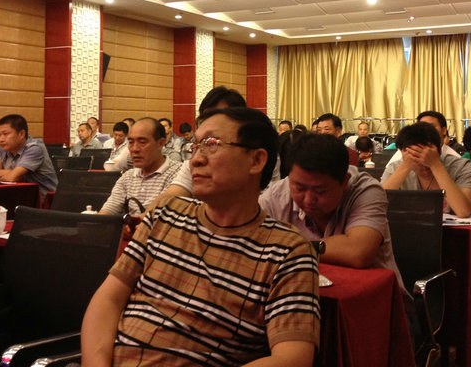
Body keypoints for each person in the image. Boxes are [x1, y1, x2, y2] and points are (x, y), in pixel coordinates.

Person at [81, 107, 320, 366]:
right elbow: (108, 300)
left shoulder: (288, 251)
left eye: (211, 144)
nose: (195, 160)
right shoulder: (164, 214)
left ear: (256, 160)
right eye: (195, 147)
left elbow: (293, 358)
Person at [259, 133, 403, 286]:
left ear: (345, 182)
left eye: (320, 191)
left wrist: (285, 245)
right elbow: (250, 239)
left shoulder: (366, 191)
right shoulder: (276, 195)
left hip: (374, 294)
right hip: (300, 291)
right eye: (299, 188)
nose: (308, 200)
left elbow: (359, 252)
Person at [381, 122, 471, 217]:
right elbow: (378, 205)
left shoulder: (461, 166)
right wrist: (406, 165)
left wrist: (435, 165)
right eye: (416, 157)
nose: (424, 164)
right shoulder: (394, 168)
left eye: (427, 156)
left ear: (439, 150)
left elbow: (463, 211)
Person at [99, 118, 181, 216]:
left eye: (142, 142)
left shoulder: (178, 173)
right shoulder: (127, 177)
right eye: (131, 142)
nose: (135, 149)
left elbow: (162, 216)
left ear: (160, 143)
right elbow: (108, 210)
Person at [0, 114, 58, 200]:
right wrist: (5, 173)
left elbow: (11, 178)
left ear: (21, 134)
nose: (1, 139)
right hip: (17, 197)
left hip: (44, 202)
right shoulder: (3, 149)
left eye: (5, 134)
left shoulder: (35, 148)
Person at [387, 110, 460, 165]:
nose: (426, 130)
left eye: (431, 126)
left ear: (444, 131)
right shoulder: (406, 152)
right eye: (421, 127)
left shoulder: (455, 159)